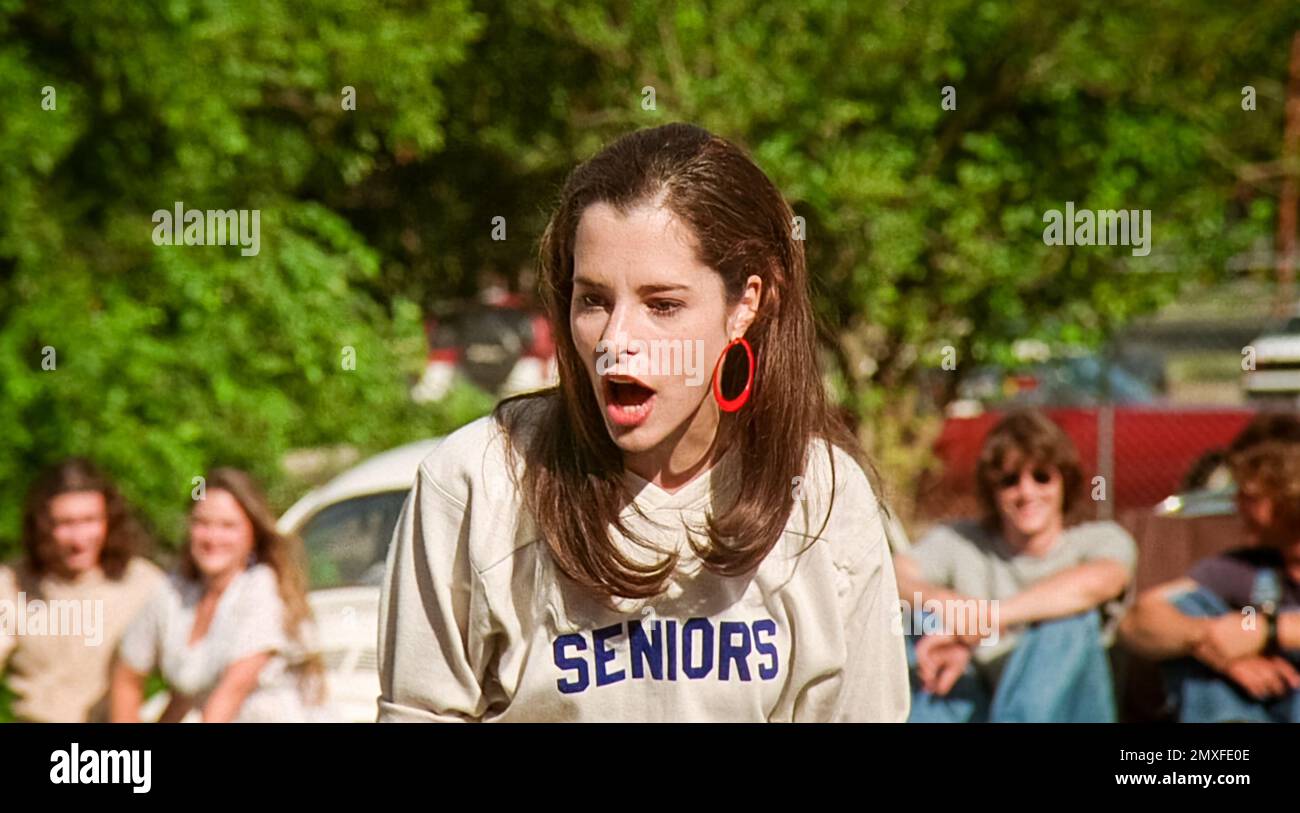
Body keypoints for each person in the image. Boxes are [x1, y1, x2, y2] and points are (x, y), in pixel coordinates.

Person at [378, 122, 909, 722]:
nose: (616, 341)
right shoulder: (475, 481)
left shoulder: (823, 499)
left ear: (747, 304)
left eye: (663, 305)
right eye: (594, 300)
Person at [894, 410, 1136, 722]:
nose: (1026, 492)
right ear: (993, 490)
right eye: (1010, 480)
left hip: (1067, 712)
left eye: (1041, 476)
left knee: (1068, 624)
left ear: (1065, 481)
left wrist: (984, 621)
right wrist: (942, 603)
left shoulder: (1100, 540)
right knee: (914, 620)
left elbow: (1101, 582)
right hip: (976, 702)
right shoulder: (961, 541)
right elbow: (897, 574)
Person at [1119, 413, 1300, 722]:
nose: (1238, 506)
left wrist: (1266, 632)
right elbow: (1137, 621)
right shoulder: (1244, 566)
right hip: (1255, 711)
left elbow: (1254, 633)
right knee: (1190, 609)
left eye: (1250, 496)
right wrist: (1211, 645)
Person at [110, 468, 330, 722]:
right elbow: (128, 675)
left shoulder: (262, 590)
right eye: (202, 523)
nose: (213, 538)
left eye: (228, 526)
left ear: (253, 533)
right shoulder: (174, 591)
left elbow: (226, 700)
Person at [0, 458, 164, 722]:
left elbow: (192, 667)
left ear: (109, 520)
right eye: (65, 524)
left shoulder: (143, 583)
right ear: (42, 525)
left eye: (89, 521)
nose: (79, 539)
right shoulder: (12, 583)